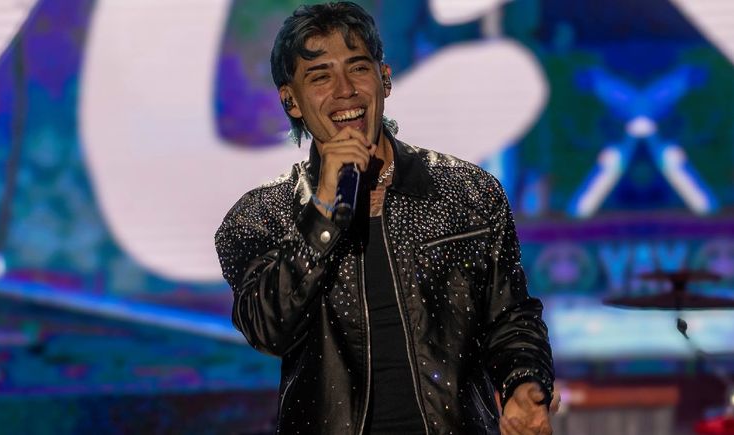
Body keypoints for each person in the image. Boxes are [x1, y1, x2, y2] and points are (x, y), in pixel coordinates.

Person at [215, 2, 554, 434]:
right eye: (320, 77)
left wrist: (524, 382)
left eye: (358, 69)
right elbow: (268, 329)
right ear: (291, 101)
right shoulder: (262, 216)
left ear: (385, 79)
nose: (345, 91)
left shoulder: (467, 192)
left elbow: (511, 318)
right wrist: (324, 210)